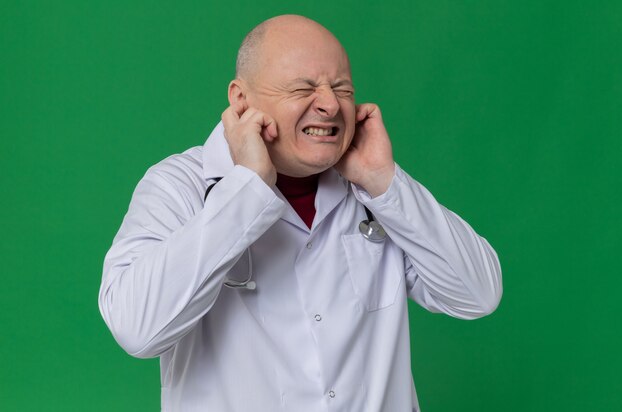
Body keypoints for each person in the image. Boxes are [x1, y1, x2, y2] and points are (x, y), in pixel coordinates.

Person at [99, 14, 502, 412]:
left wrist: (385, 182)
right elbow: (138, 330)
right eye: (303, 88)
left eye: (341, 88)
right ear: (241, 99)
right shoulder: (179, 186)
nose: (329, 105)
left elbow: (477, 295)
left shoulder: (372, 187)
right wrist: (246, 190)